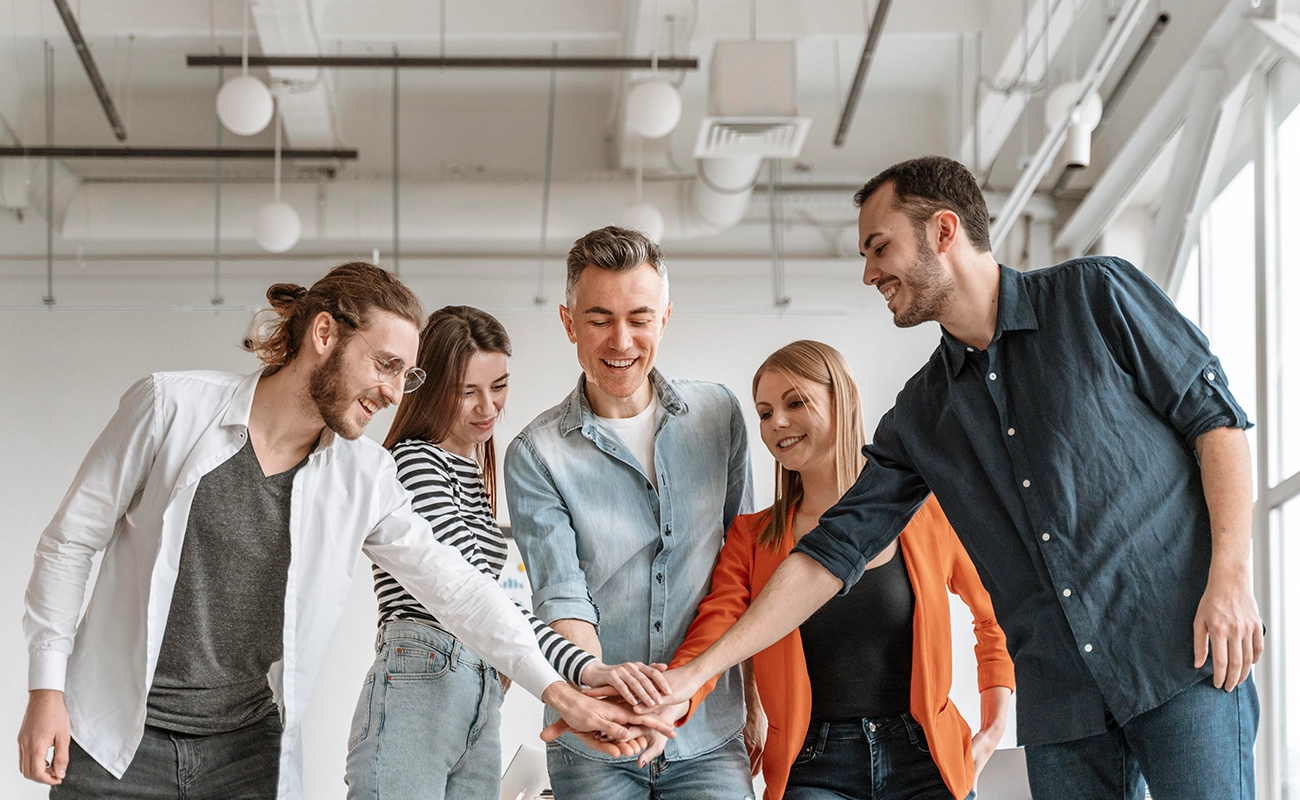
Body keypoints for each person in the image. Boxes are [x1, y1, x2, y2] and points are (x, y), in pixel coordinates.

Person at [641, 156, 1263, 800]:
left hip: (1183, 655)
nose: (868, 273)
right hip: (1064, 710)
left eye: (879, 247)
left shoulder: (1096, 296)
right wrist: (693, 677)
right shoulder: (920, 417)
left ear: (943, 230)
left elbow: (1215, 422)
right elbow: (831, 553)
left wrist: (1231, 580)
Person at [18, 262, 671, 800]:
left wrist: (566, 688)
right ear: (324, 334)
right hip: (115, 741)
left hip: (246, 758)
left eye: (406, 375)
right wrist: (47, 688)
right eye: (385, 365)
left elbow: (462, 592)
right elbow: (72, 540)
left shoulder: (364, 473)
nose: (394, 393)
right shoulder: (170, 408)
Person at [646, 339, 1014, 800]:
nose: (776, 422)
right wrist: (670, 703)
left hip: (926, 758)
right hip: (813, 766)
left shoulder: (923, 512)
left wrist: (995, 723)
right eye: (764, 412)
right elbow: (714, 634)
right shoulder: (752, 537)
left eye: (795, 402)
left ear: (842, 401)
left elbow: (997, 610)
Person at [345, 305, 671, 800]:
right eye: (468, 391)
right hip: (424, 674)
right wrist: (581, 671)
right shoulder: (415, 461)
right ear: (431, 388)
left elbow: (490, 604)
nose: (488, 408)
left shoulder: (470, 474)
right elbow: (472, 597)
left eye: (498, 386)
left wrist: (588, 670)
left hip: (474, 681)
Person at [505, 226, 757, 799]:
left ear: (665, 318)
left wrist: (757, 705)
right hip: (597, 742)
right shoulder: (536, 453)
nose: (621, 340)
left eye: (639, 318)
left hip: (710, 735)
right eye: (599, 319)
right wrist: (609, 705)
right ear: (569, 323)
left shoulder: (719, 416)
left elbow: (743, 570)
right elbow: (561, 596)